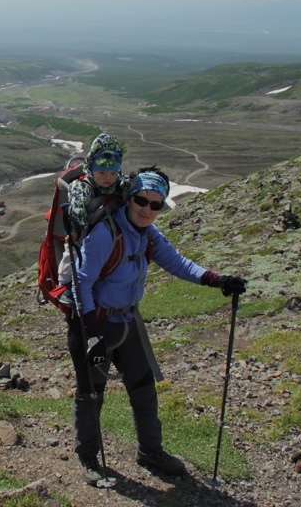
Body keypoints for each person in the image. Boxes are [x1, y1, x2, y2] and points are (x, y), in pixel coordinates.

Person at [68, 170, 246, 484]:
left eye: (156, 205)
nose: (147, 210)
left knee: (144, 389)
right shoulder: (105, 234)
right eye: (141, 200)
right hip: (95, 323)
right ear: (129, 198)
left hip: (127, 321)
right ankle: (88, 457)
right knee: (91, 395)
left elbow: (177, 262)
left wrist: (218, 281)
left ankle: (150, 451)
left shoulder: (148, 234)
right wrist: (91, 328)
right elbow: (82, 281)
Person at [57, 133, 130, 286]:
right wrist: (75, 230)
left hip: (106, 229)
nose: (108, 178)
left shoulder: (117, 181)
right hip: (82, 229)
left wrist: (127, 189)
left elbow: (126, 181)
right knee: (72, 253)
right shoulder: (81, 187)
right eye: (102, 173)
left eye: (113, 173)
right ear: (91, 169)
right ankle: (64, 284)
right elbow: (77, 209)